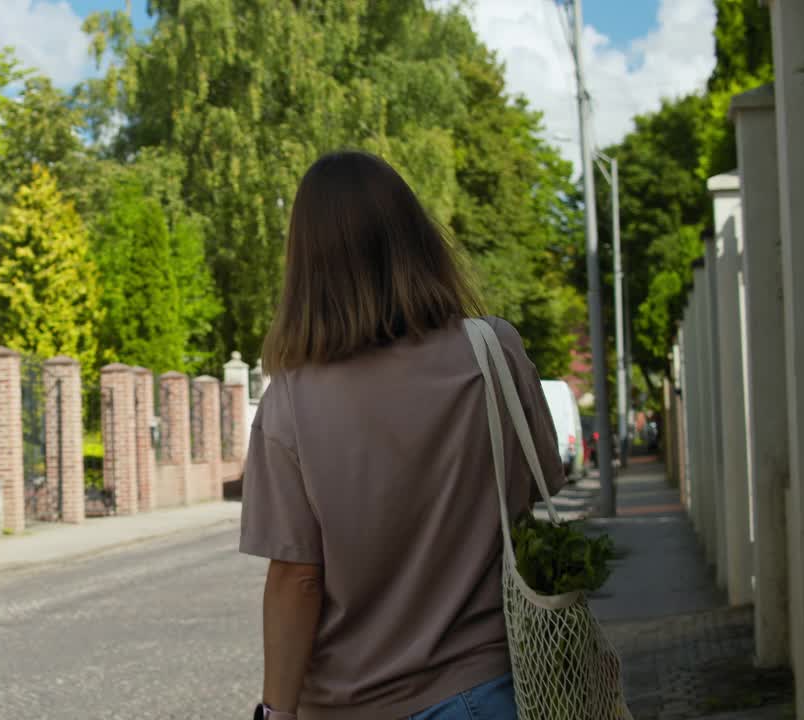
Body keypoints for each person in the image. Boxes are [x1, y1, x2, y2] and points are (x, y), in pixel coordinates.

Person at [241, 151, 567, 720]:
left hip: (354, 705)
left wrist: (275, 713)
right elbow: (533, 493)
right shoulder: (494, 352)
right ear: (414, 239)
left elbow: (297, 579)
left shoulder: (290, 403)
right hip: (492, 689)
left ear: (307, 264)